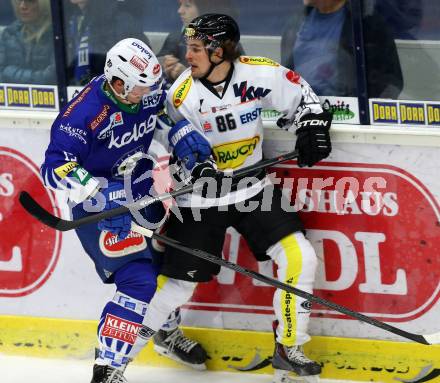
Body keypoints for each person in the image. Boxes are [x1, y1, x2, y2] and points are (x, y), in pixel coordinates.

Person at [141, 14, 332, 383]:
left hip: (251, 189)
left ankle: (288, 347)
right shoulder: (181, 95)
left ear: (220, 51)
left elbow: (304, 99)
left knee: (299, 257)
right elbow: (161, 142)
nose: (187, 54)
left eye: (196, 48)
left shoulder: (258, 74)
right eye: (189, 47)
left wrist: (312, 127)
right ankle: (133, 347)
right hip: (201, 197)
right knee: (176, 287)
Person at [40, 38, 207, 383]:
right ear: (118, 83)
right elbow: (54, 166)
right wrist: (100, 193)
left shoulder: (143, 92)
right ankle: (108, 369)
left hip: (143, 190)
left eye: (151, 87)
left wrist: (182, 133)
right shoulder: (83, 114)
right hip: (99, 208)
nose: (149, 94)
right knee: (138, 281)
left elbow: (162, 112)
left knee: (162, 263)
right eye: (141, 88)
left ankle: (163, 330)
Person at [281, 0, 403, 99]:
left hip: (346, 118)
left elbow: (391, 83)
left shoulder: (367, 25)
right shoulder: (296, 25)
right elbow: (286, 78)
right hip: (303, 116)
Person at [156, 0, 243, 85]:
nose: (180, 11)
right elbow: (157, 62)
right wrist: (165, 65)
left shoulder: (228, 42)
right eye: (180, 5)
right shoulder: (177, 36)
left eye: (187, 5)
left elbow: (237, 81)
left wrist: (187, 76)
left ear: (204, 9)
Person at [65, 0, 151, 85]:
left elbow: (144, 62)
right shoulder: (66, 18)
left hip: (107, 91)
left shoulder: (119, 19)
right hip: (73, 88)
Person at [0, 0, 55, 84]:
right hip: (12, 95)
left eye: (30, 1)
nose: (22, 6)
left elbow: (51, 77)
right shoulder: (9, 34)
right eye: (19, 1)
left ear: (44, 4)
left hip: (49, 95)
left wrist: (8, 72)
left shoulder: (57, 34)